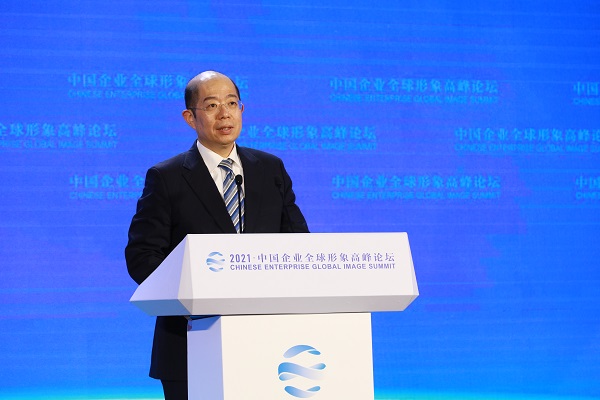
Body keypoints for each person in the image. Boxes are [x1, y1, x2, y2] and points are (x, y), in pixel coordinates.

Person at [125, 70, 309, 400]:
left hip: (270, 345)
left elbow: (298, 247)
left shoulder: (271, 169)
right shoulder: (167, 177)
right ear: (190, 117)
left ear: (242, 109)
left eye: (232, 103)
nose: (224, 114)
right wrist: (193, 299)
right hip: (189, 343)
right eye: (211, 105)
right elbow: (142, 257)